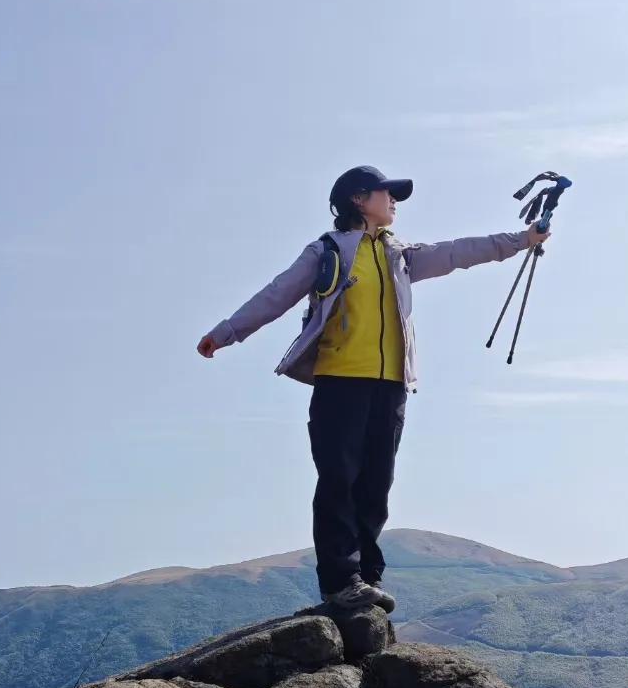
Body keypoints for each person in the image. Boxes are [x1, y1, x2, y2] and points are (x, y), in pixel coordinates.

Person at [197, 165, 550, 613]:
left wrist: (523, 239)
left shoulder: (399, 255)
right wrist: (226, 332)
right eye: (388, 194)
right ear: (359, 199)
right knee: (339, 481)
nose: (395, 202)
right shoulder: (327, 251)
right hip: (339, 380)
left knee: (376, 485)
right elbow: (277, 293)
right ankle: (341, 582)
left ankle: (366, 578)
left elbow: (458, 252)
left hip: (391, 385)